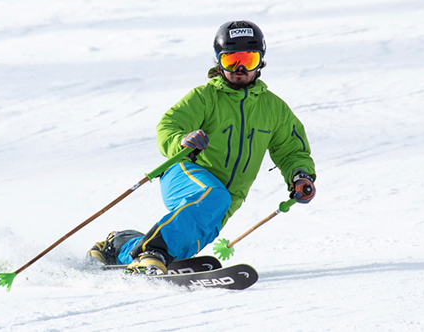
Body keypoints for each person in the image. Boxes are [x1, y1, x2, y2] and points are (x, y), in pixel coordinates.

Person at [88, 21, 319, 272]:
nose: (240, 68)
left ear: (261, 62)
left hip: (226, 201)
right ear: (219, 62)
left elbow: (291, 150)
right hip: (185, 172)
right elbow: (168, 125)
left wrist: (300, 175)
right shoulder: (205, 97)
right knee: (210, 200)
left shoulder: (274, 109)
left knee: (185, 241)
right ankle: (151, 252)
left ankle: (119, 246)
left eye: (248, 60)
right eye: (231, 61)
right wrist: (182, 140)